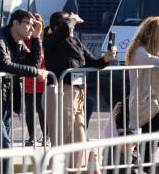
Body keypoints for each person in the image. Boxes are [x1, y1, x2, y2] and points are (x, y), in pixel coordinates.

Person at [43, 10, 114, 160]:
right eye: (67, 22)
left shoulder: (75, 41)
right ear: (56, 27)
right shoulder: (51, 39)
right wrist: (72, 19)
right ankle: (56, 169)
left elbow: (93, 62)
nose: (72, 25)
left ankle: (73, 170)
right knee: (60, 138)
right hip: (61, 91)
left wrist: (105, 59)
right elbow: (61, 32)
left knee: (79, 139)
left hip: (78, 93)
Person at [0, 9, 46, 173]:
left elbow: (34, 64)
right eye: (29, 25)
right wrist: (35, 73)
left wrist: (36, 38)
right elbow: (3, 64)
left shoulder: (19, 42)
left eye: (33, 26)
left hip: (7, 100)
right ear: (16, 23)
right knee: (4, 146)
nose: (31, 28)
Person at [23, 14, 47, 146]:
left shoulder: (43, 41)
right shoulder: (25, 41)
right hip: (28, 82)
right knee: (30, 111)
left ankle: (45, 135)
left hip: (42, 82)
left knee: (42, 110)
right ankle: (31, 136)